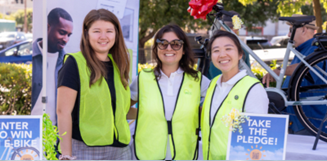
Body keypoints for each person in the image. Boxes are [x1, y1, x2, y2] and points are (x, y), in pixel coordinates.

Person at [57, 9, 131, 160]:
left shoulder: (119, 65)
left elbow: (119, 109)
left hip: (121, 151)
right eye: (97, 31)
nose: (103, 37)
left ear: (116, 34)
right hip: (85, 150)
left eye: (109, 31)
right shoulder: (74, 63)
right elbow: (62, 112)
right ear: (86, 34)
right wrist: (66, 155)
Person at [129, 24, 210, 160]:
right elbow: (122, 109)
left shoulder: (198, 80)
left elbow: (219, 107)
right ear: (156, 48)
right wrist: (146, 113)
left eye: (176, 44)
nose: (169, 48)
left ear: (183, 49)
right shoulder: (143, 78)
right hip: (147, 154)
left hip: (184, 154)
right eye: (163, 43)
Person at [201, 30, 269, 160]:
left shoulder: (253, 89)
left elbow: (257, 141)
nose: (222, 55)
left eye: (228, 48)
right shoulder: (213, 84)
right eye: (216, 51)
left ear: (240, 55)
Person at [262, 14, 326, 135]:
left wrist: (280, 71)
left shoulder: (315, 49)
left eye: (291, 30)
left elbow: (309, 68)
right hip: (299, 122)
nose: (288, 35)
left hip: (310, 123)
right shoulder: (302, 50)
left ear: (303, 29)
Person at [31, 8, 73, 125]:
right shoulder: (28, 58)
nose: (66, 39)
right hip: (27, 133)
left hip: (55, 136)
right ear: (47, 27)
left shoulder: (69, 63)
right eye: (62, 33)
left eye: (69, 35)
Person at [207, 10, 251, 80]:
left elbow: (248, 73)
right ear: (221, 27)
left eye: (235, 28)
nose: (233, 30)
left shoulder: (243, 49)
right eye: (229, 27)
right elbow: (217, 77)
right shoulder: (212, 47)